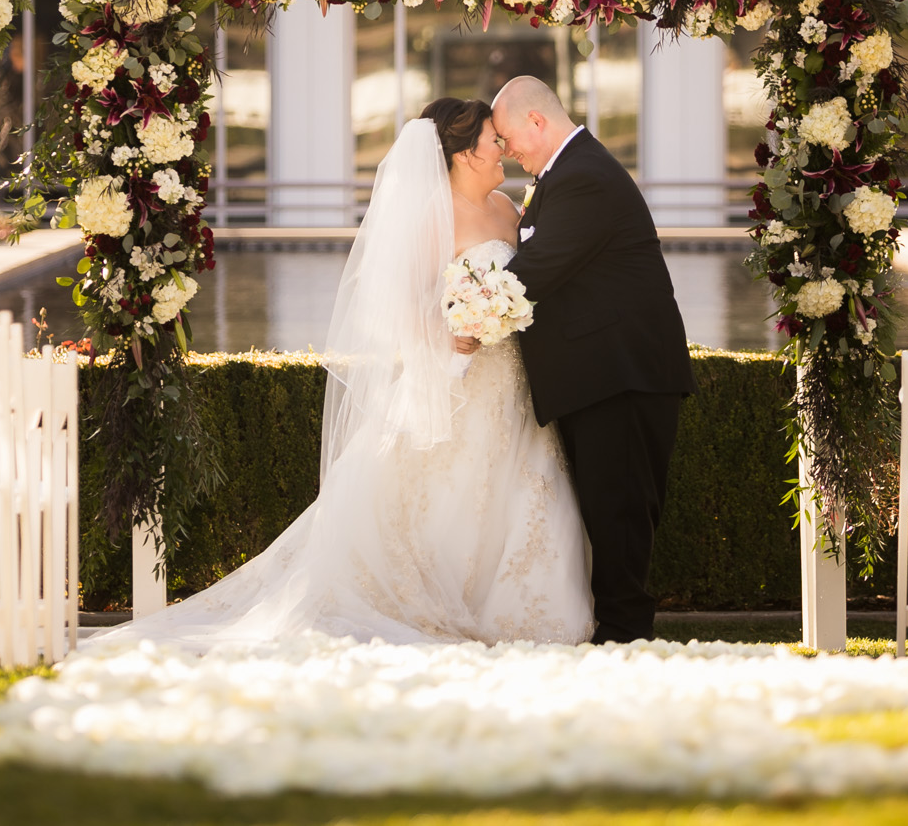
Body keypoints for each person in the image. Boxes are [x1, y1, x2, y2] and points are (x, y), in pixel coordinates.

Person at [93, 99, 592, 648]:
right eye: (494, 139)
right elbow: (401, 309)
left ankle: (525, 608)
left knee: (525, 493)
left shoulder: (506, 208)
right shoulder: (432, 217)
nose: (504, 147)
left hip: (517, 382)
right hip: (457, 379)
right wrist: (451, 330)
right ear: (465, 152)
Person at [486, 76, 696, 643]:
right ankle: (620, 635)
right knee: (609, 516)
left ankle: (626, 640)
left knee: (620, 519)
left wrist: (467, 312)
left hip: (622, 379)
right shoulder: (566, 173)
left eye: (508, 138)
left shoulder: (584, 177)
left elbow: (537, 271)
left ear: (536, 122)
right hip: (600, 380)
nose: (508, 152)